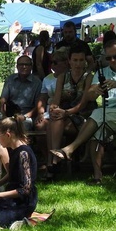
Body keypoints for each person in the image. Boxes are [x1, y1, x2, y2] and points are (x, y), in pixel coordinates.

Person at [50, 40, 116, 184]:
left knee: (98, 115)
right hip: (106, 115)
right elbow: (90, 94)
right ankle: (97, 176)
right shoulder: (102, 73)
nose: (112, 60)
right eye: (108, 58)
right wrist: (96, 90)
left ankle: (70, 149)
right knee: (97, 129)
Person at [45, 47, 94, 176]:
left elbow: (82, 104)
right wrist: (54, 108)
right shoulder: (62, 77)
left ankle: (52, 162)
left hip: (83, 114)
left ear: (85, 61)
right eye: (75, 60)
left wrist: (66, 112)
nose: (78, 63)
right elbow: (56, 99)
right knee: (54, 117)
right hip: (64, 114)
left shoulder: (89, 77)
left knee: (55, 120)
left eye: (81, 60)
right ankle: (55, 157)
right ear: (69, 61)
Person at [0, 55, 43, 126]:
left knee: (23, 126)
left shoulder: (37, 83)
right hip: (10, 113)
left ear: (31, 66)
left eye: (27, 64)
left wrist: (25, 117)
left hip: (28, 116)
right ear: (17, 66)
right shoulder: (10, 79)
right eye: (21, 64)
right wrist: (3, 115)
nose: (24, 67)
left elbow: (38, 106)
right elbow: (3, 99)